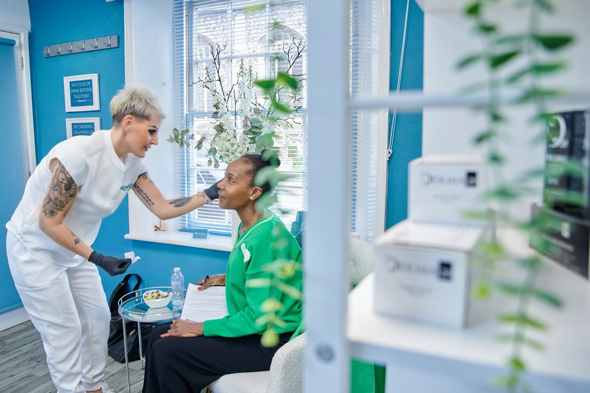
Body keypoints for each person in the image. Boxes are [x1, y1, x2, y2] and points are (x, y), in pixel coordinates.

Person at [5, 86, 220, 393]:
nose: (156, 141)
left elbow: (160, 207)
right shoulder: (79, 155)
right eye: (152, 131)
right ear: (129, 122)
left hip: (75, 250)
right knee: (63, 330)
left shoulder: (132, 164)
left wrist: (209, 194)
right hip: (35, 250)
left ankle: (94, 387)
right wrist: (97, 258)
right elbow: (48, 222)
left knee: (96, 318)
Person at [142, 152, 303, 393]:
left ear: (254, 192)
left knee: (168, 350)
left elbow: (260, 317)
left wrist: (199, 327)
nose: (219, 186)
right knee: (157, 334)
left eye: (230, 180)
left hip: (270, 340)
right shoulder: (249, 225)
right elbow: (265, 278)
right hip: (255, 330)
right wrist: (226, 279)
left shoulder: (266, 236)